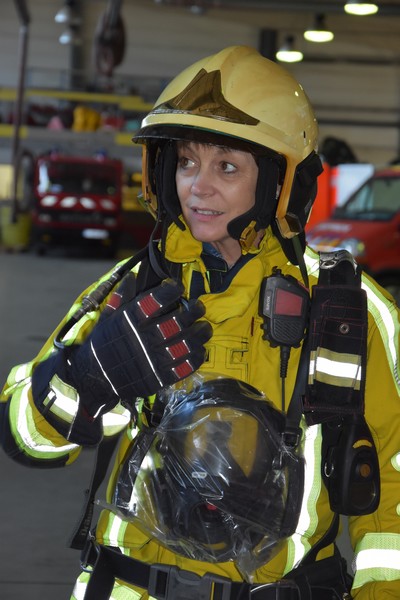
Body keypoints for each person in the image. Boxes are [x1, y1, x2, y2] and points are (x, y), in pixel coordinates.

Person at [1, 45, 400, 600]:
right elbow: (26, 440)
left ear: (280, 183)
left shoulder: (348, 311)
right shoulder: (130, 290)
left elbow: (391, 497)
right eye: (186, 162)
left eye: (226, 166)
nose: (197, 186)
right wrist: (88, 377)